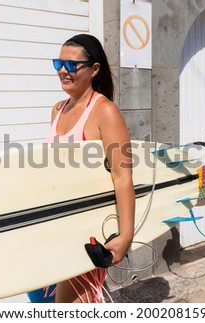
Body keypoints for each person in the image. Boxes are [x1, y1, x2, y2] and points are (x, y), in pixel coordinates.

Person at [46, 34, 135, 303]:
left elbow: (123, 176)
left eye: (72, 65)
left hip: (88, 228)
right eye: (58, 63)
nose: (63, 70)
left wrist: (126, 236)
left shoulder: (105, 111)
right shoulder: (58, 109)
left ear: (94, 69)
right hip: (60, 224)